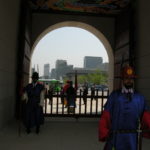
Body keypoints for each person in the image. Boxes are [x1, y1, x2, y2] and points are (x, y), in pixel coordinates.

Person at [98, 64, 150, 150]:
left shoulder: (140, 98)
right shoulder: (114, 96)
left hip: (132, 138)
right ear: (122, 80)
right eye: (126, 78)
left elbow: (146, 117)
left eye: (131, 79)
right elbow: (106, 116)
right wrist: (104, 131)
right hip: (116, 137)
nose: (129, 81)